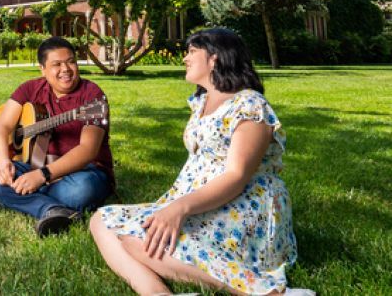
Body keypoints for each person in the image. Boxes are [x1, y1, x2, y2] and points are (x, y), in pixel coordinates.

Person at [90, 28, 303, 295]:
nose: (185, 58)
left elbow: (237, 176)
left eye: (192, 52)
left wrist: (178, 209)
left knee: (136, 240)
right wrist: (174, 206)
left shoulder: (249, 104)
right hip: (197, 201)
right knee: (102, 219)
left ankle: (262, 291)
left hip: (243, 206)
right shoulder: (202, 101)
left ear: (215, 58)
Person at [0, 36, 114, 237]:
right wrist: (3, 162)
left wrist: (42, 176)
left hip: (82, 173)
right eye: (56, 64)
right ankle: (52, 210)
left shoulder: (92, 97)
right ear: (43, 69)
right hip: (34, 166)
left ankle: (6, 199)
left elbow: (88, 150)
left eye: (71, 61)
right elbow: (2, 127)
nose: (66, 69)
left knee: (81, 190)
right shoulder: (30, 89)